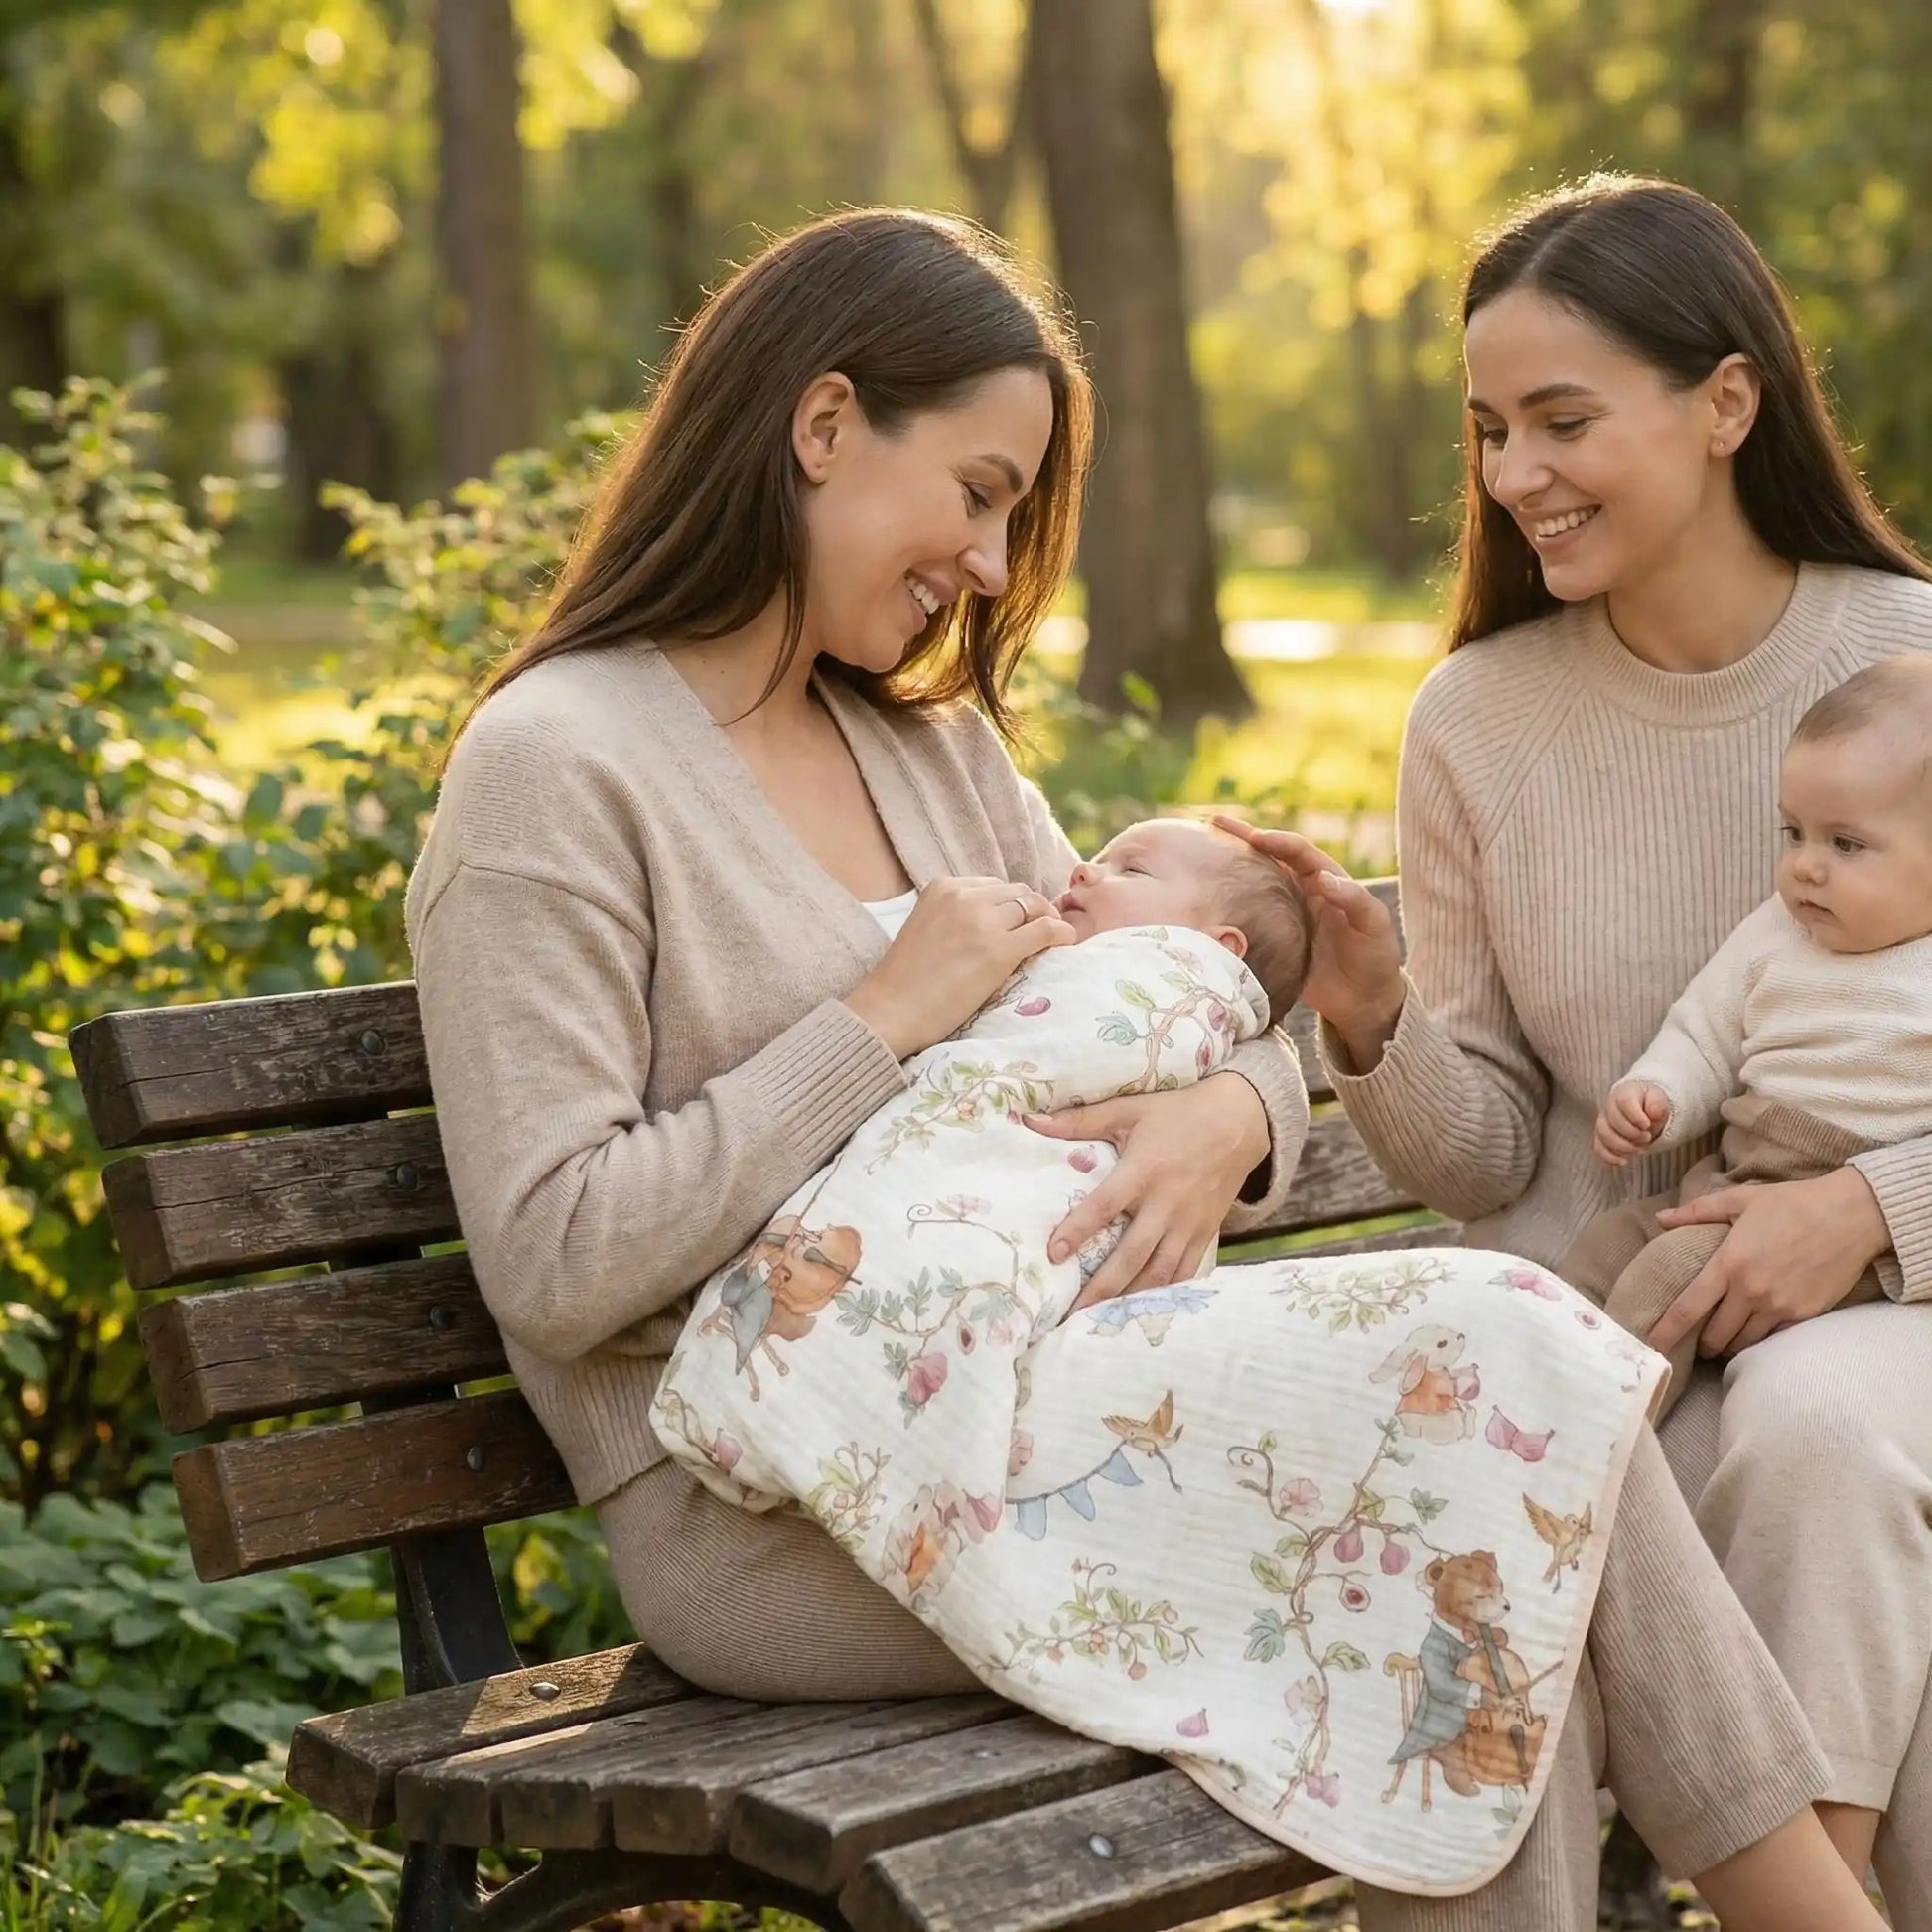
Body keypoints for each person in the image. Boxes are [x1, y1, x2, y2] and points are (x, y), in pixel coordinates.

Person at [405, 206, 1887, 1928]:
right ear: (820, 429)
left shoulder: (932, 753)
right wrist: (876, 1018)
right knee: (1498, 1392)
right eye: (975, 490)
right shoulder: (556, 771)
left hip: (1069, 1406)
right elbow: (557, 1252)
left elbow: (1190, 996)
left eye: (1010, 510)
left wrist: (1224, 1112)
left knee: (1487, 1499)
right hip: (789, 1500)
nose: (986, 555)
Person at [1227, 175, 1932, 1928]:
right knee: (1680, 1476)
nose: (1512, 474)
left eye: (1560, 419)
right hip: (1600, 1360)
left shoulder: (1910, 665)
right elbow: (1476, 1160)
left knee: (1826, 1436)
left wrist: (1872, 1204)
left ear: (1726, 401)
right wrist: (1373, 1017)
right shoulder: (1477, 720)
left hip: (1888, 1332)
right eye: (1486, 430)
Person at [1568, 655, 1932, 1420]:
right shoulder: (1777, 930)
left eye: (1846, 844)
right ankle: (1515, 1391)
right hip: (1734, 1177)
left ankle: (1589, 1442)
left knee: (1668, 1278)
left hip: (1848, 1229)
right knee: (1597, 1254)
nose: (1804, 866)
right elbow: (1704, 1031)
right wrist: (1658, 1092)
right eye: (1794, 832)